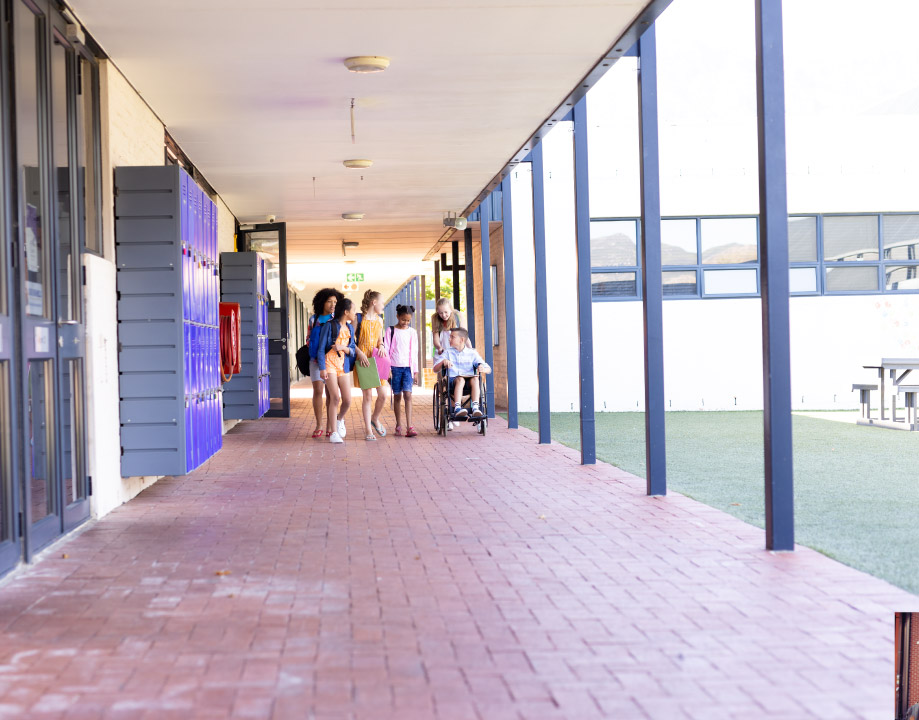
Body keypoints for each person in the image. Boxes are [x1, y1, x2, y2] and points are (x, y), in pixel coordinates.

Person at [306, 288, 343, 438]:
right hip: (315, 360)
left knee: (330, 393)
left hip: (331, 362)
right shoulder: (313, 319)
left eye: (335, 302)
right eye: (329, 301)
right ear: (322, 302)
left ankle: (330, 425)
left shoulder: (336, 319)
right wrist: (315, 347)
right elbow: (308, 338)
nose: (333, 304)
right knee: (318, 391)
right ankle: (319, 424)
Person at [318, 298, 356, 443]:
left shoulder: (350, 328)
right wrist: (322, 368)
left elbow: (352, 350)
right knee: (335, 398)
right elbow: (321, 349)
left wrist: (343, 348)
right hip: (329, 364)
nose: (355, 313)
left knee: (347, 400)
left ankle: (339, 420)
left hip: (343, 365)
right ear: (346, 312)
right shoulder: (329, 326)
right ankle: (333, 432)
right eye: (353, 310)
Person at [354, 290, 390, 441]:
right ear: (374, 302)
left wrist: (382, 346)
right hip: (363, 361)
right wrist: (359, 353)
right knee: (367, 396)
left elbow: (379, 340)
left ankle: (375, 418)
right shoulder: (358, 319)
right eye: (382, 302)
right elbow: (350, 341)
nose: (383, 306)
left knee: (383, 394)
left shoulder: (379, 320)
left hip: (377, 360)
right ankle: (368, 430)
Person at [432, 327, 491, 419]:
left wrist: (482, 368)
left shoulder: (472, 353)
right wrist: (443, 362)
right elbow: (435, 369)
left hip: (469, 383)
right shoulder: (447, 352)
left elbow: (488, 368)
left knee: (475, 379)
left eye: (452, 337)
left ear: (461, 340)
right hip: (452, 382)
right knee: (460, 379)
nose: (449, 339)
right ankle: (457, 408)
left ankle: (475, 407)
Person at [385, 304, 419, 437]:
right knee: (397, 396)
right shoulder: (390, 330)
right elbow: (386, 350)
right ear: (397, 316)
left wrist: (415, 371)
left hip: (408, 368)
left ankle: (409, 426)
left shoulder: (412, 332)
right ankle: (398, 424)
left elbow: (414, 352)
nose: (405, 323)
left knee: (408, 395)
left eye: (408, 320)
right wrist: (387, 369)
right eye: (403, 319)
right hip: (394, 367)